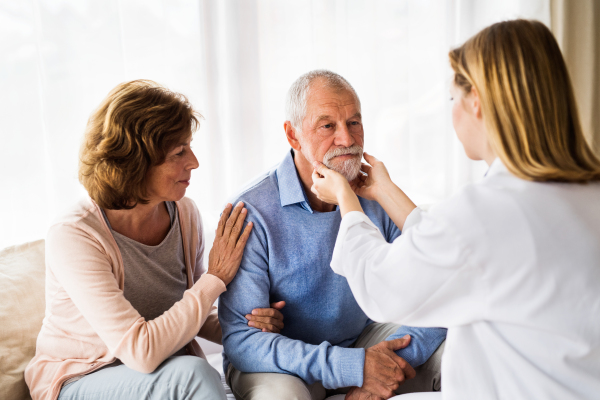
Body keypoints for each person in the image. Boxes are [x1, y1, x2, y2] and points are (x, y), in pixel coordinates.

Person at [310, 20, 600, 400]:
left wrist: (347, 200)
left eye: (452, 99)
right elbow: (460, 251)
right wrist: (384, 190)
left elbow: (384, 287)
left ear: (475, 101)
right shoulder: (586, 192)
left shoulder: (488, 211)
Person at [25, 80, 285, 400]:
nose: (194, 161)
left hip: (155, 372)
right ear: (137, 161)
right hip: (79, 378)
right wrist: (216, 277)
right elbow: (142, 351)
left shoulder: (184, 214)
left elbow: (193, 313)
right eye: (179, 151)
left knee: (196, 371)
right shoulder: (75, 234)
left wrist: (249, 324)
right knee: (193, 375)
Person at [218, 70, 447, 400]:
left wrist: (386, 366)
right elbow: (244, 341)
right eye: (328, 126)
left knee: (458, 353)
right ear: (293, 136)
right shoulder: (250, 210)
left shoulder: (375, 195)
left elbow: (440, 293)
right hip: (283, 361)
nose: (347, 139)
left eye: (354, 122)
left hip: (361, 341)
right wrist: (353, 367)